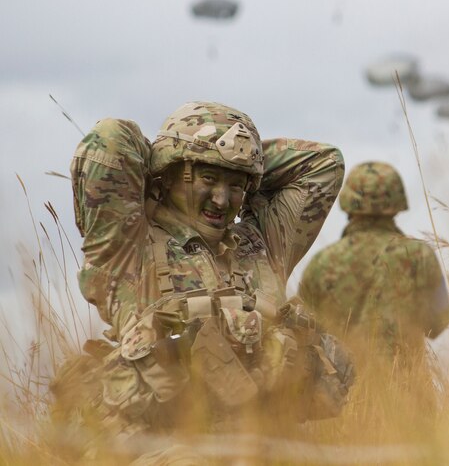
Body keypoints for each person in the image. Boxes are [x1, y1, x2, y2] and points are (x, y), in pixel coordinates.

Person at [52, 102, 353, 461]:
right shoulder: (128, 245)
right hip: (160, 448)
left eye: (236, 186)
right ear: (171, 173)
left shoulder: (265, 243)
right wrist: (175, 152)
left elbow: (324, 163)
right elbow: (108, 140)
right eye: (208, 179)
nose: (222, 199)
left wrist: (242, 157)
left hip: (262, 444)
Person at [299, 161, 449, 364]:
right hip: (407, 390)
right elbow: (438, 323)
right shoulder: (419, 255)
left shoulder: (321, 263)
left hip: (339, 392)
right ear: (397, 202)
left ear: (347, 201)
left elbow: (303, 330)